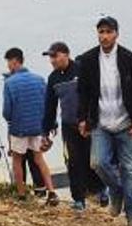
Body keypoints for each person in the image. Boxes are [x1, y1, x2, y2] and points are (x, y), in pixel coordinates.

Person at [76, 16, 132, 226]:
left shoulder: (129, 58)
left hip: (126, 123)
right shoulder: (89, 60)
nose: (104, 36)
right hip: (100, 122)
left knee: (129, 169)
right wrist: (82, 119)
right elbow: (83, 93)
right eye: (101, 32)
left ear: (116, 34)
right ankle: (117, 190)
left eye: (108, 32)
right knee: (97, 162)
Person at [42, 41, 105, 211]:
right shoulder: (53, 78)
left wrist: (92, 119)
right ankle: (78, 199)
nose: (52, 60)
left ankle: (100, 189)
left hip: (90, 123)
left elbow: (95, 96)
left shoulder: (81, 70)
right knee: (73, 162)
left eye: (55, 56)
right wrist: (45, 131)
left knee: (94, 159)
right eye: (50, 57)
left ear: (66, 54)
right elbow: (50, 106)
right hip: (69, 126)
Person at [1, 47, 58, 203]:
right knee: (39, 158)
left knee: (17, 160)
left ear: (14, 61)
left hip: (19, 128)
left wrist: (10, 120)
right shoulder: (39, 79)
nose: (8, 66)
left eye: (8, 62)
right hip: (37, 126)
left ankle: (21, 194)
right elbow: (47, 103)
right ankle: (52, 192)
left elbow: (7, 111)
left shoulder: (9, 83)